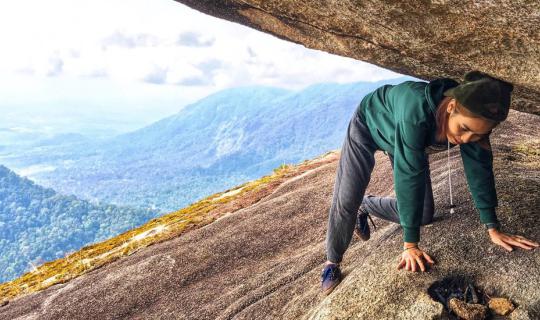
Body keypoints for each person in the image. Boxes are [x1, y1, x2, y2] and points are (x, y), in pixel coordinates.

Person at [320, 71, 539, 295]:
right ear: (451, 106)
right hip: (369, 124)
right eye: (463, 129)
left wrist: (493, 228)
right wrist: (410, 245)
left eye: (477, 135)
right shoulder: (417, 112)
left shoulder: (474, 121)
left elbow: (479, 170)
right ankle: (332, 262)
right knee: (347, 197)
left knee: (423, 214)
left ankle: (366, 205)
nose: (465, 139)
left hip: (405, 140)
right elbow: (409, 175)